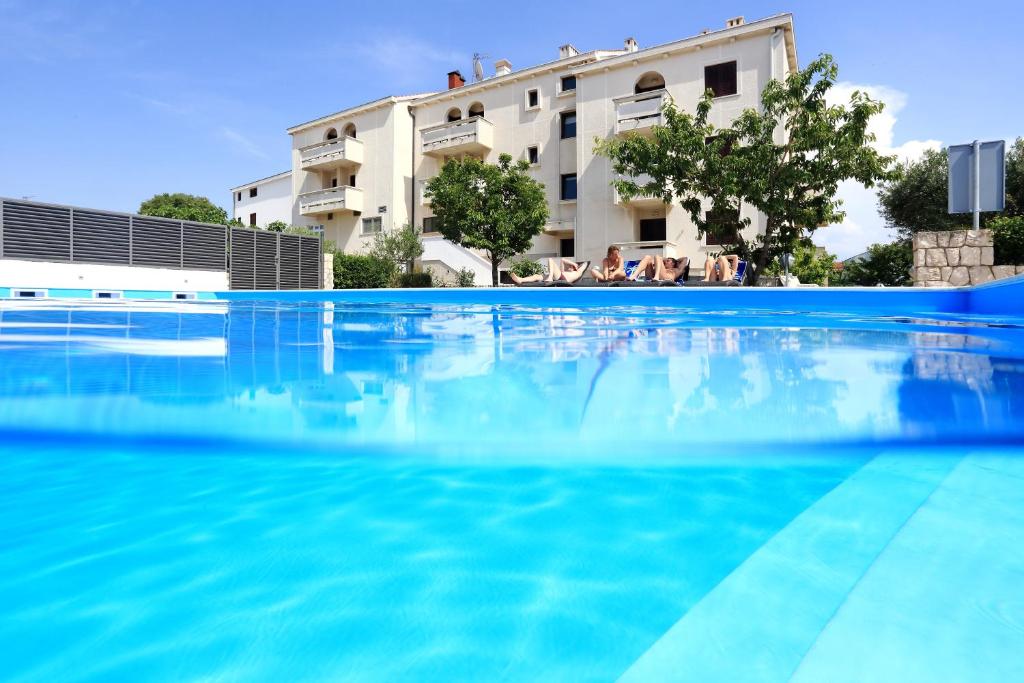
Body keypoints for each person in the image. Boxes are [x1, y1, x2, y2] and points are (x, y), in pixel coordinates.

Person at [509, 257, 590, 285]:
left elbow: (585, 264)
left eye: (570, 266)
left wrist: (577, 265)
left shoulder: (577, 273)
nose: (568, 267)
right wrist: (573, 263)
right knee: (537, 276)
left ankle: (550, 277)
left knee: (550, 260)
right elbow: (562, 260)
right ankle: (521, 280)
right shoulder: (564, 271)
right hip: (558, 277)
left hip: (562, 279)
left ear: (574, 268)